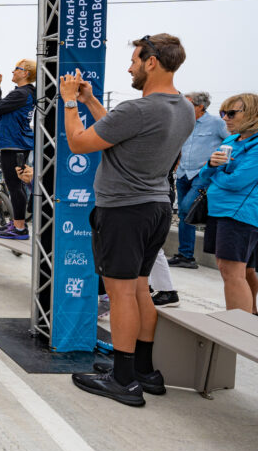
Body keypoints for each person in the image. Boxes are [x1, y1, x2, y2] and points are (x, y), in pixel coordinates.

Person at [61, 33, 194, 406]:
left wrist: (71, 101)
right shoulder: (182, 107)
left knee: (120, 295)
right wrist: (89, 100)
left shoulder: (138, 109)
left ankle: (122, 380)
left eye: (135, 60)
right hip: (156, 207)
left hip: (123, 210)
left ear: (152, 62)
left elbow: (79, 142)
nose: (130, 66)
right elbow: (121, 134)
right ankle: (144, 371)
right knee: (139, 290)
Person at [197, 93, 258, 313]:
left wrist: (214, 172)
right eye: (223, 113)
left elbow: (236, 182)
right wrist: (212, 167)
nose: (225, 118)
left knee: (231, 272)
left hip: (238, 215)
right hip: (221, 212)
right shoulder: (231, 140)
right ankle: (250, 318)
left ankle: (237, 329)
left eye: (231, 113)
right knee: (245, 271)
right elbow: (203, 174)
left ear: (252, 113)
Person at [170, 91, 231, 269]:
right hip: (182, 174)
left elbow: (232, 143)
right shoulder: (183, 123)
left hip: (201, 174)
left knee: (186, 209)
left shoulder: (217, 123)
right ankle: (186, 256)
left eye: (187, 104)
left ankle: (187, 255)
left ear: (200, 107)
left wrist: (217, 162)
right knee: (184, 214)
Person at [0, 58, 36, 240]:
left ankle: (20, 228)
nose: (13, 71)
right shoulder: (24, 93)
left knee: (15, 186)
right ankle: (17, 224)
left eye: (17, 69)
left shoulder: (22, 93)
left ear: (26, 73)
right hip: (16, 143)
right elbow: (2, 106)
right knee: (16, 186)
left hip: (14, 143)